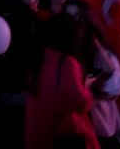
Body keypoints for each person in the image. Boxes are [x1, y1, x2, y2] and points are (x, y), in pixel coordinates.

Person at [24, 13, 98, 149]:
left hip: (39, 133)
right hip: (65, 133)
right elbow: (80, 101)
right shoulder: (67, 63)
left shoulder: (38, 60)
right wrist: (85, 86)